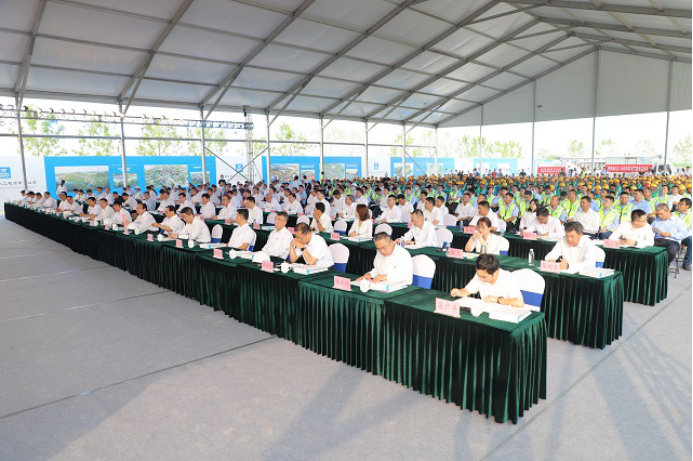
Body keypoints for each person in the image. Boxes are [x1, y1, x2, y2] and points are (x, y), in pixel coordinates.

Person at [450, 254, 525, 308]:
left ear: (495, 273)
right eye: (479, 275)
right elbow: (467, 290)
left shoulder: (508, 278)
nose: (480, 279)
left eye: (484, 277)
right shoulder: (480, 275)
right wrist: (459, 292)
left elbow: (519, 303)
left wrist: (497, 300)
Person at [675, 197, 691, 271]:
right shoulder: (673, 214)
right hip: (673, 235)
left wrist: (681, 238)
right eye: (678, 204)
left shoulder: (691, 215)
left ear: (687, 206)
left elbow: (691, 230)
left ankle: (687, 263)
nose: (679, 206)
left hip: (685, 236)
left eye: (681, 204)